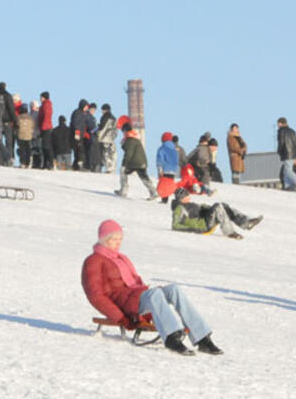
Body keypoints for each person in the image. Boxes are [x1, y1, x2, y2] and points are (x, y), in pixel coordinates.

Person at [82, 219, 224, 355]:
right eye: (114, 239)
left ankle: (202, 338)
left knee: (174, 289)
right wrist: (120, 318)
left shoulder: (121, 257)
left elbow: (135, 282)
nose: (118, 243)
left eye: (120, 239)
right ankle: (172, 336)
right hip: (126, 305)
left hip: (136, 297)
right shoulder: (93, 261)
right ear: (104, 239)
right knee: (155, 294)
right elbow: (95, 296)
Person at [171, 188, 262, 240]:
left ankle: (246, 223)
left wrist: (205, 208)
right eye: (187, 195)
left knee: (223, 206)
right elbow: (175, 225)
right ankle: (230, 232)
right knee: (218, 207)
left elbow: (197, 211)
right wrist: (192, 229)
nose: (189, 196)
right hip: (202, 226)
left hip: (204, 221)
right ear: (181, 197)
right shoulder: (179, 208)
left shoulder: (188, 205)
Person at [115, 123, 158, 200]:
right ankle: (153, 192)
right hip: (142, 162)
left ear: (125, 131)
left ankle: (123, 190)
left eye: (123, 131)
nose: (123, 133)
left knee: (123, 171)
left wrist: (124, 164)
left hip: (134, 163)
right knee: (144, 177)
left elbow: (128, 153)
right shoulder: (135, 138)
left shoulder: (129, 140)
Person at [0, 82, 17, 165]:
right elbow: (11, 109)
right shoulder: (8, 96)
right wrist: (15, 121)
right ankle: (9, 159)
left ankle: (1, 161)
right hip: (7, 122)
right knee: (9, 142)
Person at [156, 132, 179, 203]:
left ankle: (164, 200)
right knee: (169, 185)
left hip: (165, 170)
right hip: (173, 171)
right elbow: (176, 160)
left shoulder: (162, 149)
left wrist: (160, 169)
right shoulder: (174, 149)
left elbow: (160, 160)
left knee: (163, 186)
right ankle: (176, 198)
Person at [276, 117, 296, 190]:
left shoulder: (281, 131)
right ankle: (288, 187)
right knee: (285, 171)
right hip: (294, 154)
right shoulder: (292, 131)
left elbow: (281, 143)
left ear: (280, 123)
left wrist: (279, 151)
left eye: (278, 124)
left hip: (287, 154)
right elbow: (295, 143)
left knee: (288, 171)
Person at [97, 103, 117, 173]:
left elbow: (102, 128)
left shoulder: (104, 117)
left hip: (104, 139)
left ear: (104, 110)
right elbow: (115, 131)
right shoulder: (114, 118)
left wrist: (99, 136)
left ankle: (108, 169)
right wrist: (113, 138)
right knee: (112, 154)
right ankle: (112, 169)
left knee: (105, 154)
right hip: (111, 140)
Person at [70, 99, 88, 171]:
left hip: (81, 135)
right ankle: (79, 166)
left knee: (79, 151)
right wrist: (77, 133)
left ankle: (75, 166)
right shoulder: (77, 113)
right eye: (86, 106)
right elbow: (75, 124)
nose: (87, 108)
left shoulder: (83, 114)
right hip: (76, 136)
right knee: (79, 151)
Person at [38, 91, 54, 170]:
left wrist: (43, 126)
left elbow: (46, 116)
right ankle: (45, 163)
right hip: (44, 127)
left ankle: (50, 163)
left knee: (46, 146)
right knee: (44, 147)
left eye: (41, 97)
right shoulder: (44, 105)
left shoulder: (46, 105)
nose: (40, 99)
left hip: (46, 128)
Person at [85, 103, 102, 172]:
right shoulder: (89, 117)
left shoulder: (92, 117)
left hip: (93, 138)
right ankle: (91, 167)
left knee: (94, 154)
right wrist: (97, 128)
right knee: (92, 154)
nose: (93, 111)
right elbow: (90, 129)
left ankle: (93, 166)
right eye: (92, 109)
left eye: (94, 110)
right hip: (90, 138)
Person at [17, 104, 34, 168]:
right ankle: (28, 163)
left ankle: (22, 162)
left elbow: (17, 125)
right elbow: (33, 126)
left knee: (22, 149)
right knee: (28, 149)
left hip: (21, 135)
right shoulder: (30, 117)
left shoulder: (19, 117)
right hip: (28, 136)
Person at [29, 100, 43, 169]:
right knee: (35, 150)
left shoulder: (35, 114)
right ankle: (36, 163)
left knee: (37, 150)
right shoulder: (32, 114)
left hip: (36, 134)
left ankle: (37, 163)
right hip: (34, 134)